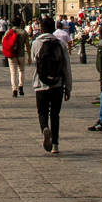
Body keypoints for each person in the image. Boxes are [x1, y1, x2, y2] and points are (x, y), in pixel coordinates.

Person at [31, 18, 71, 154]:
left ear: (41, 28)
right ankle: (55, 144)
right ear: (53, 29)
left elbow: (34, 61)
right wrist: (68, 88)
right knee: (55, 114)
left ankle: (44, 130)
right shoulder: (61, 44)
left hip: (40, 84)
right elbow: (67, 68)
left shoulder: (36, 43)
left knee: (42, 112)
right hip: (57, 84)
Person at [2, 22, 28, 97]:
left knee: (13, 73)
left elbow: (3, 41)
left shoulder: (8, 32)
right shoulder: (24, 32)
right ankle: (21, 86)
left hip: (12, 55)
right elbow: (27, 44)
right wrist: (29, 56)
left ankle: (14, 90)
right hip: (21, 54)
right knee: (21, 70)